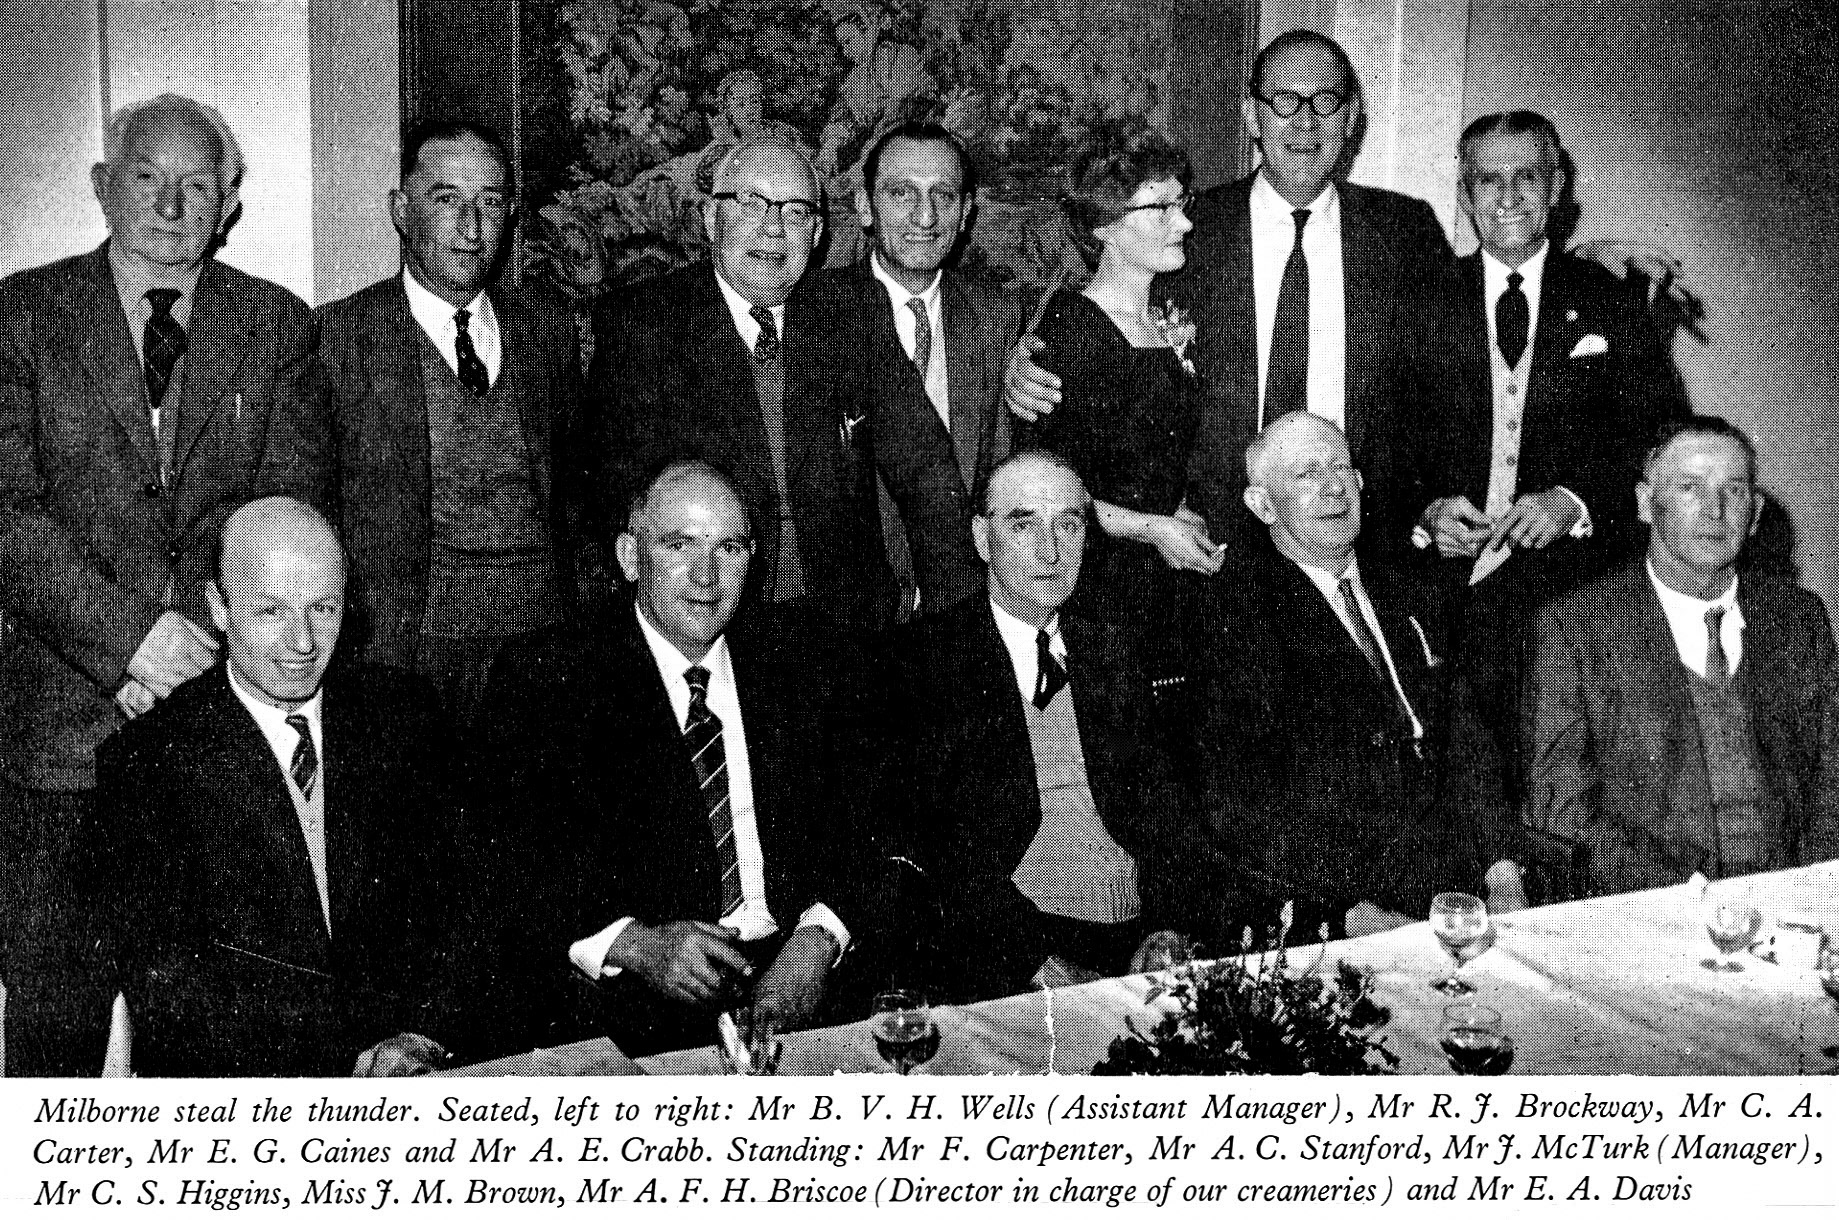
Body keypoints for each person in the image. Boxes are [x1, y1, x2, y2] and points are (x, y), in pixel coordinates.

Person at [1005, 30, 1695, 549]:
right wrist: (1027, 354)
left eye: (1325, 101)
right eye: (1283, 101)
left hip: (1361, 537)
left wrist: (1576, 259)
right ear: (1251, 116)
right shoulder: (1190, 230)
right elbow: (1104, 280)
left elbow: (1496, 288)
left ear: (1352, 116)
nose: (1304, 123)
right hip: (1215, 540)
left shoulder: (1403, 230)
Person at [0, 94, 330, 1074]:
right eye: (147, 177)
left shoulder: (277, 327)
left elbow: (289, 507)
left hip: (210, 746)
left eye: (199, 184)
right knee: (50, 1040)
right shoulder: (20, 317)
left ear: (228, 203)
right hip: (56, 749)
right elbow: (6, 515)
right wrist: (134, 640)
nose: (172, 204)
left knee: (201, 1043)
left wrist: (191, 646)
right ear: (105, 187)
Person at [477, 458, 867, 1056]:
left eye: (729, 547)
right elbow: (517, 868)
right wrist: (638, 945)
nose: (705, 574)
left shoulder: (809, 654)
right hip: (641, 1008)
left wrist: (819, 940)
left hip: (809, 982)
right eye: (680, 544)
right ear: (630, 556)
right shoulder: (547, 676)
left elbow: (876, 826)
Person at [86, 498, 467, 1076]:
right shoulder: (148, 765)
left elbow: (470, 910)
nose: (304, 642)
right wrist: (345, 1065)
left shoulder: (407, 717)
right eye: (270, 612)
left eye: (323, 608)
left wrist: (422, 1035)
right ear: (218, 608)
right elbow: (173, 999)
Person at [1390, 111, 1689, 797]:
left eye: (1525, 177)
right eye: (1487, 181)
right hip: (1439, 588)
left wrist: (1573, 501)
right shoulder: (1417, 302)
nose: (1506, 198)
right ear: (1464, 195)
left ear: (1554, 189)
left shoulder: (1611, 302)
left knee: (1552, 783)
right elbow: (1381, 442)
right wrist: (1426, 510)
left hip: (1565, 589)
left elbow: (1660, 445)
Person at [594, 136, 980, 636]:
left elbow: (926, 473)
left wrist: (960, 622)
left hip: (846, 627)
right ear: (711, 219)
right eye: (752, 204)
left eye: (796, 212)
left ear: (817, 233)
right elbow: (614, 498)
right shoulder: (645, 323)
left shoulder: (852, 314)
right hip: (709, 619)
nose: (774, 230)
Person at [886, 450, 1234, 1001]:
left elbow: (1168, 811)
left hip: (1135, 934)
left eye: (1068, 524)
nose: (1050, 551)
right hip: (1010, 955)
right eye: (1023, 524)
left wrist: (1169, 928)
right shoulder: (927, 662)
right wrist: (1042, 967)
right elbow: (939, 859)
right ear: (982, 539)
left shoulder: (1113, 646)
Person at [317, 119, 586, 731]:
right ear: (401, 210)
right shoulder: (339, 339)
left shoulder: (551, 333)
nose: (471, 225)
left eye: (490, 203)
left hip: (540, 654)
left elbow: (578, 505)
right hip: (404, 663)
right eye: (447, 200)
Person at [1191, 413, 1489, 939]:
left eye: (1341, 468)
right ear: (1262, 505)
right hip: (1353, 894)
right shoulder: (1237, 618)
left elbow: (1469, 744)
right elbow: (1248, 806)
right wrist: (1349, 911)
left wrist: (1503, 868)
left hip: (1465, 875)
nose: (1334, 487)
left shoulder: (1412, 587)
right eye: (1307, 475)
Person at [1523, 416, 1839, 896]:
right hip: (1646, 910)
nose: (1715, 511)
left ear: (1754, 514)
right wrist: (1691, 898)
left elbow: (1832, 780)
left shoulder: (1797, 619)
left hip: (1792, 905)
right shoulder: (1575, 627)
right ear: (1647, 504)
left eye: (1733, 491)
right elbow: (1560, 807)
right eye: (1690, 488)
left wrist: (1805, 890)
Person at [1022, 128, 1224, 634]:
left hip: (1164, 573)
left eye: (1181, 202)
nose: (1184, 222)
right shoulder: (1068, 328)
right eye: (1159, 209)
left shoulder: (1167, 319)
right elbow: (1051, 487)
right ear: (1104, 226)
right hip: (1097, 579)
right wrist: (1157, 529)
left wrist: (1177, 514)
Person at [822, 121, 1021, 616]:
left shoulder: (999, 316)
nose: (925, 216)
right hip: (849, 610)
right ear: (865, 207)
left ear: (966, 212)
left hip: (964, 603)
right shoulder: (817, 314)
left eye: (943, 196)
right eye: (901, 193)